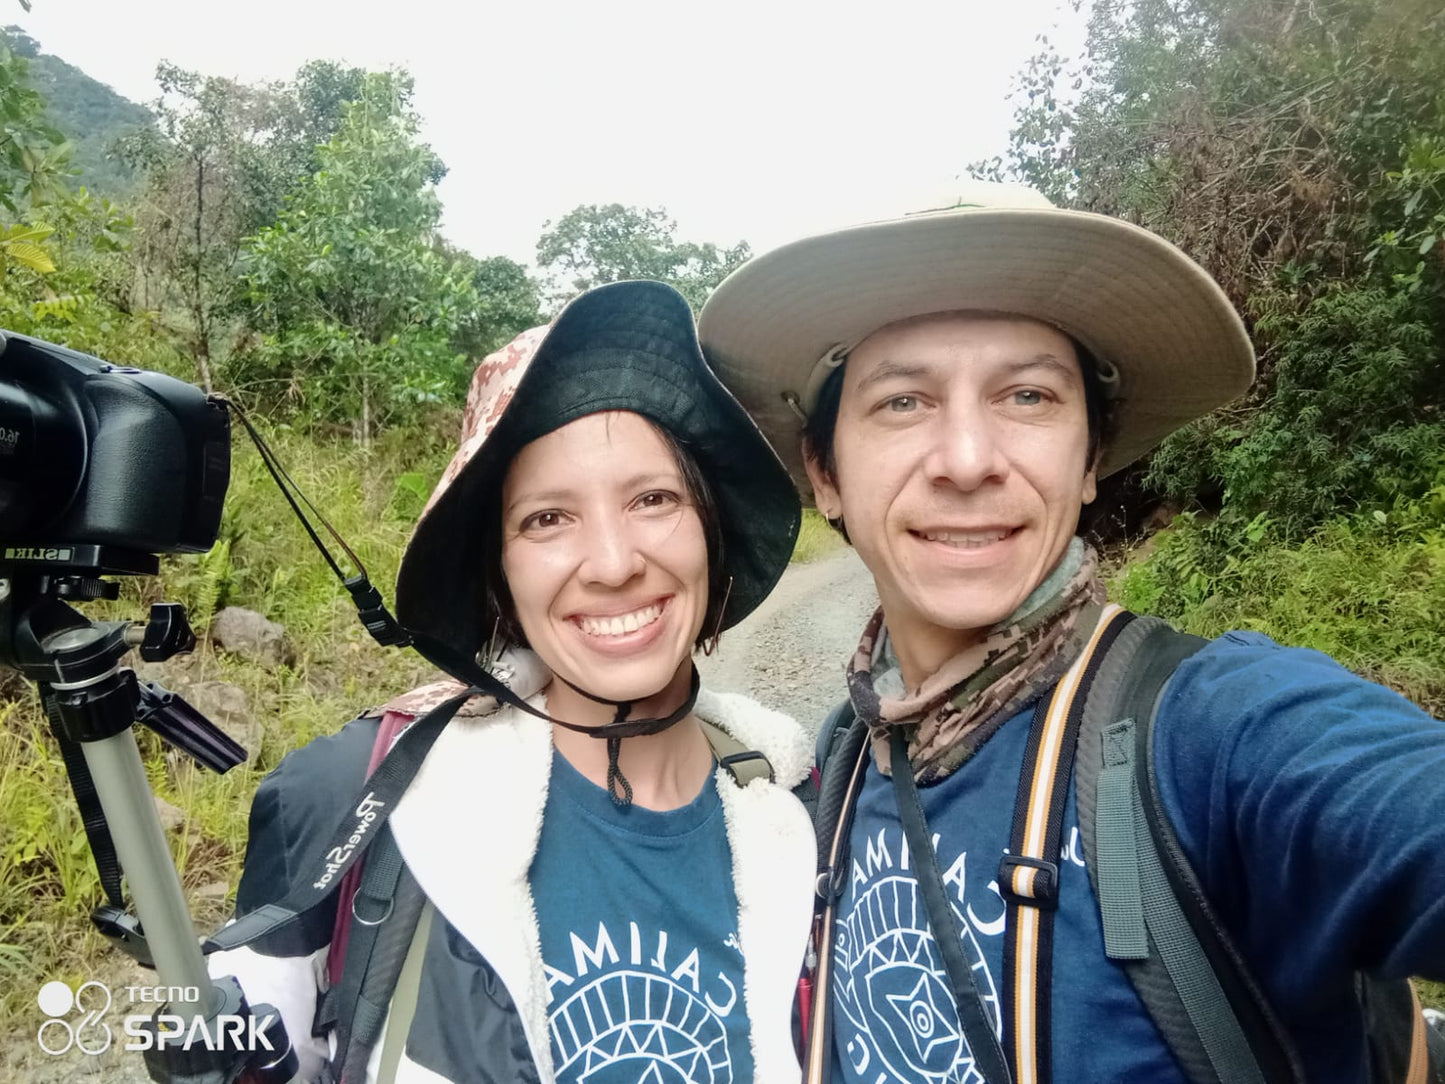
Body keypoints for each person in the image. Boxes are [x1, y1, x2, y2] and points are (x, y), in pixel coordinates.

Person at [696, 183, 1445, 1083]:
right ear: (825, 473)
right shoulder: (850, 751)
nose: (968, 460)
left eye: (1027, 395)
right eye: (902, 403)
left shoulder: (1216, 735)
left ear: (1089, 458)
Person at [201, 280, 817, 1084]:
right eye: (546, 519)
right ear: (499, 575)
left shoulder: (806, 811)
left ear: (712, 533)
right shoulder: (355, 797)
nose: (613, 563)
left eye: (654, 499)